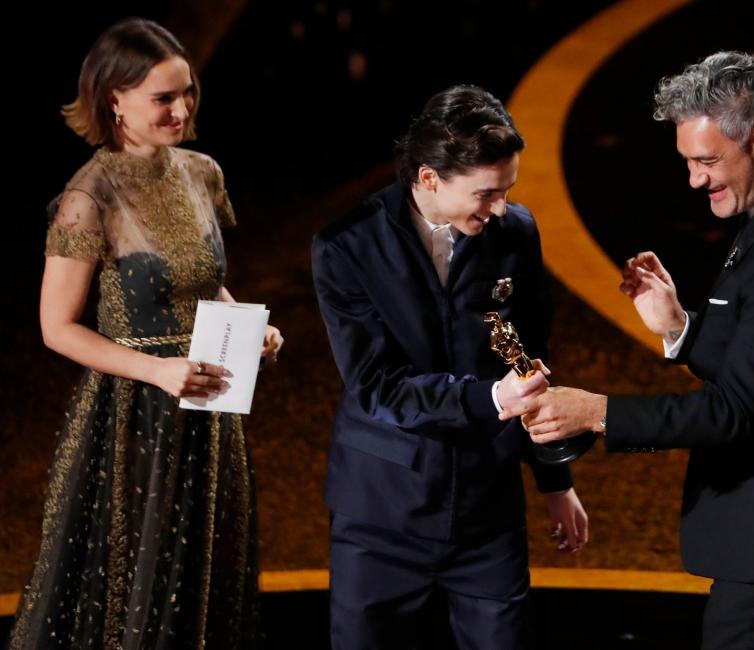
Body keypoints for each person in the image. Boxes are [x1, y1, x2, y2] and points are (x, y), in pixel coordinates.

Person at [501, 51, 754, 649]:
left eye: (708, 161)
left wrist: (596, 412)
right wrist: (681, 327)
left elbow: (736, 410)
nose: (695, 180)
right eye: (687, 161)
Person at [8, 18, 282, 649]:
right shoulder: (87, 198)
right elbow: (56, 329)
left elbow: (201, 283)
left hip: (208, 407)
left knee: (209, 574)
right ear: (114, 100)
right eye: (163, 98)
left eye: (186, 93)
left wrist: (250, 327)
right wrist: (159, 371)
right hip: (136, 416)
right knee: (139, 581)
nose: (181, 108)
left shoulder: (202, 172)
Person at [312, 84, 588, 649]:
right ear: (429, 178)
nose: (500, 208)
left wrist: (555, 478)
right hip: (383, 516)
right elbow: (375, 386)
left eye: (506, 191)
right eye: (486, 193)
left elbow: (530, 361)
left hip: (488, 511)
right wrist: (488, 400)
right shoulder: (346, 246)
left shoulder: (515, 232)